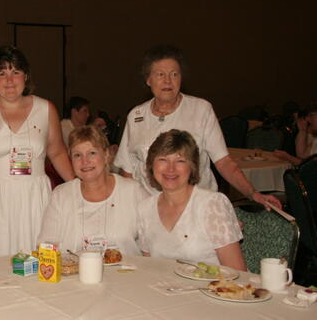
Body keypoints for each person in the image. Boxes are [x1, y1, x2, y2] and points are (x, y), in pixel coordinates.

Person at [114, 44, 280, 209]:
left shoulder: (201, 110)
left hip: (197, 208)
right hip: (151, 211)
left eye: (174, 74)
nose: (167, 80)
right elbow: (128, 172)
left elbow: (224, 162)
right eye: (160, 74)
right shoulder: (136, 116)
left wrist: (253, 193)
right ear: (148, 80)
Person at [0, 45, 74, 256]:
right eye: (2, 73)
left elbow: (57, 153)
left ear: (26, 76)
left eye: (15, 72)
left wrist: (78, 188)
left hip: (34, 197)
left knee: (39, 260)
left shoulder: (46, 108)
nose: (9, 80)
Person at [137, 129, 246, 270]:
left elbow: (237, 272)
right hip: (165, 289)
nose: (171, 169)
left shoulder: (212, 204)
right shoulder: (145, 209)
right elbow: (150, 269)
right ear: (151, 165)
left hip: (215, 288)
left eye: (180, 161)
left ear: (192, 167)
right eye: (163, 159)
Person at [38, 125, 147, 256]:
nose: (85, 161)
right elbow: (46, 246)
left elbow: (152, 244)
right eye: (77, 155)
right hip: (75, 274)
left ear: (106, 155)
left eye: (92, 153)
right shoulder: (61, 195)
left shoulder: (133, 191)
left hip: (126, 273)